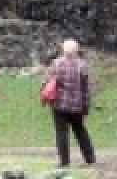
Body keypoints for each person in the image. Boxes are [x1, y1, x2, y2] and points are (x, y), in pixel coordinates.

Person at [44, 39, 97, 168]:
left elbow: (46, 82)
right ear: (77, 50)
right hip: (77, 105)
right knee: (80, 131)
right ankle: (90, 158)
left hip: (59, 105)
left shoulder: (56, 64)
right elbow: (85, 89)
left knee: (61, 133)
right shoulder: (82, 65)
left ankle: (64, 161)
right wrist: (86, 106)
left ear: (63, 50)